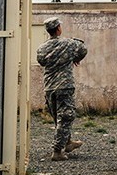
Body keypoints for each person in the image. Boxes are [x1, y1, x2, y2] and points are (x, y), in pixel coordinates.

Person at [36, 17, 88, 161]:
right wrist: (75, 58)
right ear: (58, 28)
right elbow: (83, 49)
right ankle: (58, 151)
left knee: (58, 117)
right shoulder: (68, 44)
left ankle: (68, 142)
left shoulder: (42, 48)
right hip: (64, 85)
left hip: (49, 87)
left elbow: (41, 61)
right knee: (66, 116)